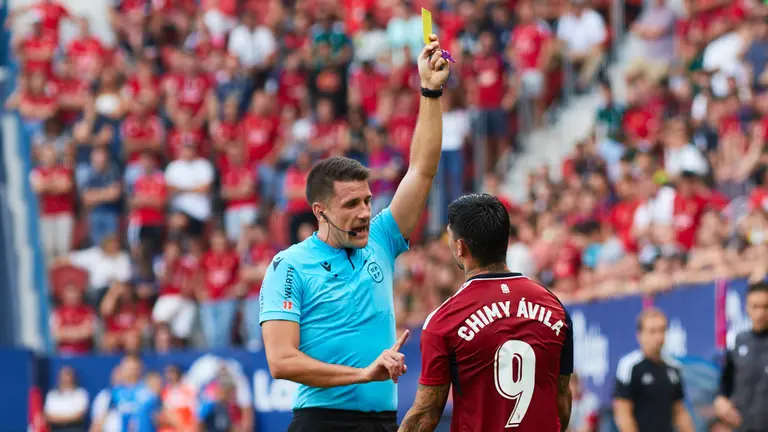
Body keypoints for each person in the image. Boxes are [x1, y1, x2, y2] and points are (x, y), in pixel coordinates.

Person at [259, 34, 451, 432]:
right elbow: (281, 361)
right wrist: (363, 373)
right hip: (322, 423)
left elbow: (421, 170)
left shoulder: (381, 239)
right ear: (320, 211)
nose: (365, 213)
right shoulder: (289, 265)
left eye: (366, 201)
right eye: (351, 205)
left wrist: (430, 91)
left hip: (382, 423)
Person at [399, 193, 574, 431]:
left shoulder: (444, 320)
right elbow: (561, 403)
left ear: (460, 247)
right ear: (505, 241)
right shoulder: (555, 308)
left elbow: (425, 415)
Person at [613, 308, 695, 432]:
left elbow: (679, 411)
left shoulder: (673, 367)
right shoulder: (629, 366)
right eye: (652, 331)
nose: (658, 337)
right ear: (639, 335)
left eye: (662, 330)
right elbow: (623, 413)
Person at [714, 282, 768, 432]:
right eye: (755, 306)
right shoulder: (739, 341)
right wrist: (721, 400)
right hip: (743, 427)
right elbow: (725, 382)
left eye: (766, 307)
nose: (761, 313)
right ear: (747, 308)